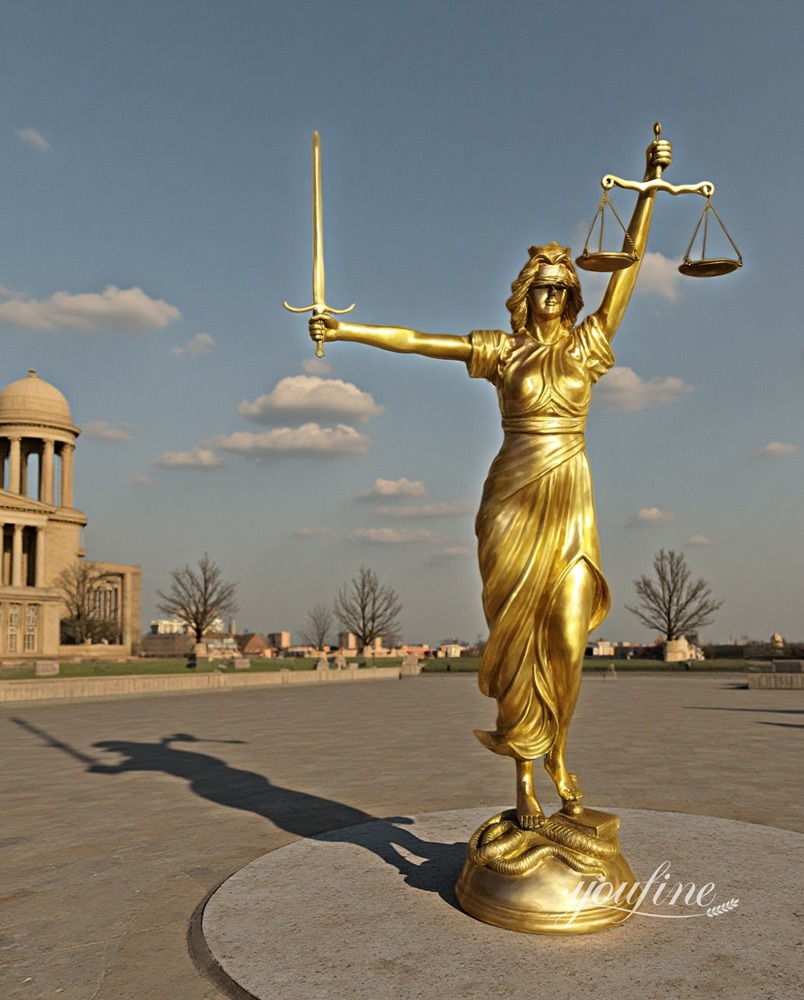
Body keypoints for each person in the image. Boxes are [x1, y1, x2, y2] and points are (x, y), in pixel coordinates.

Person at [309, 137, 671, 829]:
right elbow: (420, 341)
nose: (557, 297)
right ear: (526, 292)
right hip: (513, 496)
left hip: (570, 496)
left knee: (566, 637)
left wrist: (649, 191)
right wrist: (347, 330)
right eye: (546, 286)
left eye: (567, 289)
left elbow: (629, 271)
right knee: (515, 638)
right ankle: (526, 779)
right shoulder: (501, 350)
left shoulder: (588, 346)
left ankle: (558, 752)